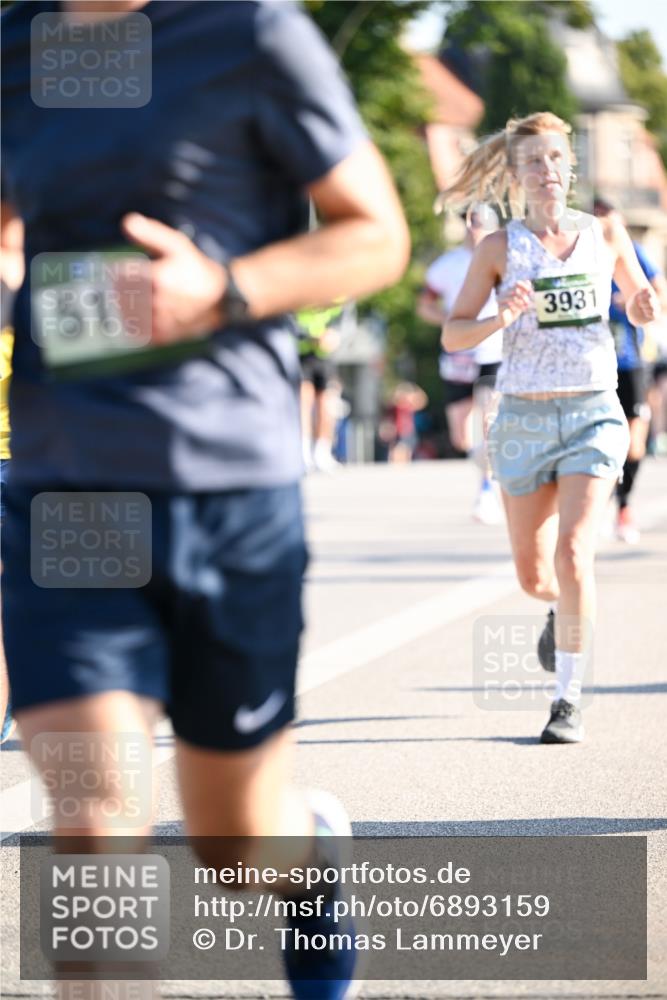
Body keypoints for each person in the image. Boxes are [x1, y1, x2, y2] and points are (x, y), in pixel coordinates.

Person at [1, 2, 410, 997]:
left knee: (235, 846)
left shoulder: (251, 33)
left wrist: (221, 289)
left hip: (230, 489)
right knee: (94, 825)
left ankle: (308, 864)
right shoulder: (14, 47)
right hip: (69, 489)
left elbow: (375, 237)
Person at [442, 112, 660, 744]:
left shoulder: (604, 232)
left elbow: (639, 301)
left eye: (557, 158)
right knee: (536, 576)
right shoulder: (499, 248)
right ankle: (555, 609)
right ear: (515, 174)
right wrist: (498, 318)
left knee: (573, 553)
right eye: (534, 160)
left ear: (571, 166)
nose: (547, 170)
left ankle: (567, 699)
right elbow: (453, 333)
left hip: (593, 410)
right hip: (521, 417)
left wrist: (644, 305)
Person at [418, 205, 503, 523]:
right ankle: (485, 467)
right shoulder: (448, 264)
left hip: (494, 351)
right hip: (460, 354)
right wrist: (451, 320)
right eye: (471, 223)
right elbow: (424, 305)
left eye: (481, 223)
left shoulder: (505, 256)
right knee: (462, 437)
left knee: (490, 420)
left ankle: (487, 490)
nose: (475, 228)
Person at [592, 197, 667, 543]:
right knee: (599, 443)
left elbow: (659, 295)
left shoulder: (633, 251)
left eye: (608, 218)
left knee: (634, 445)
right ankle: (602, 505)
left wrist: (635, 300)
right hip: (592, 365)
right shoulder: (576, 251)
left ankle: (623, 505)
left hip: (632, 361)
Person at [296, 303, 344, 473]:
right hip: (301, 353)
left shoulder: (336, 298)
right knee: (304, 401)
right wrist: (310, 336)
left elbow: (343, 320)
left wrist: (334, 334)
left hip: (325, 356)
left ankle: (322, 452)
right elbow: (289, 320)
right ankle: (303, 452)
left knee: (326, 404)